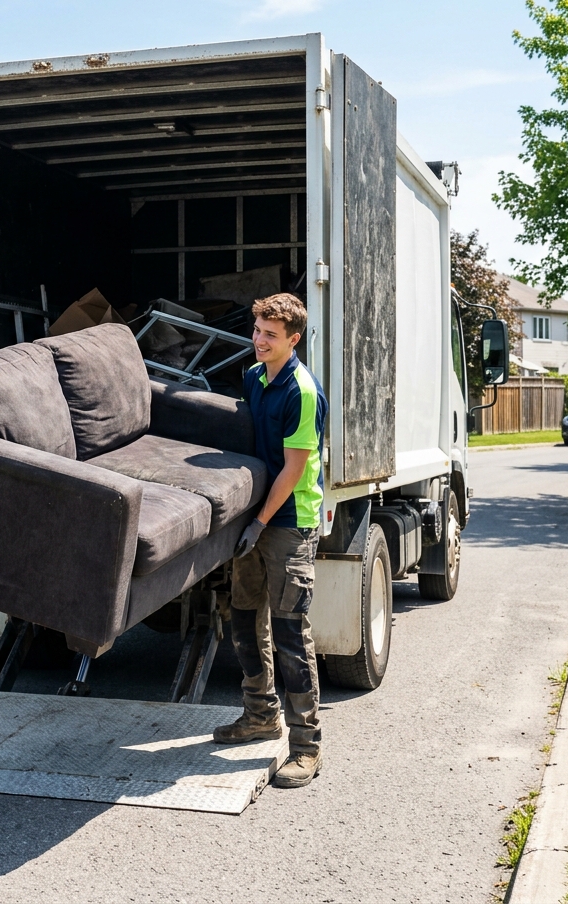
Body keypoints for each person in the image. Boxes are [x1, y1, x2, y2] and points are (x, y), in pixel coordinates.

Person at [212, 292, 328, 790]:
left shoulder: (302, 391)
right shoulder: (255, 377)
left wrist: (259, 522)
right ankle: (260, 715)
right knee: (243, 618)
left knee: (290, 633)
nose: (259, 340)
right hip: (256, 517)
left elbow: (294, 469)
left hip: (288, 522)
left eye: (270, 335)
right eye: (257, 330)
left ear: (293, 339)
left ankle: (306, 747)